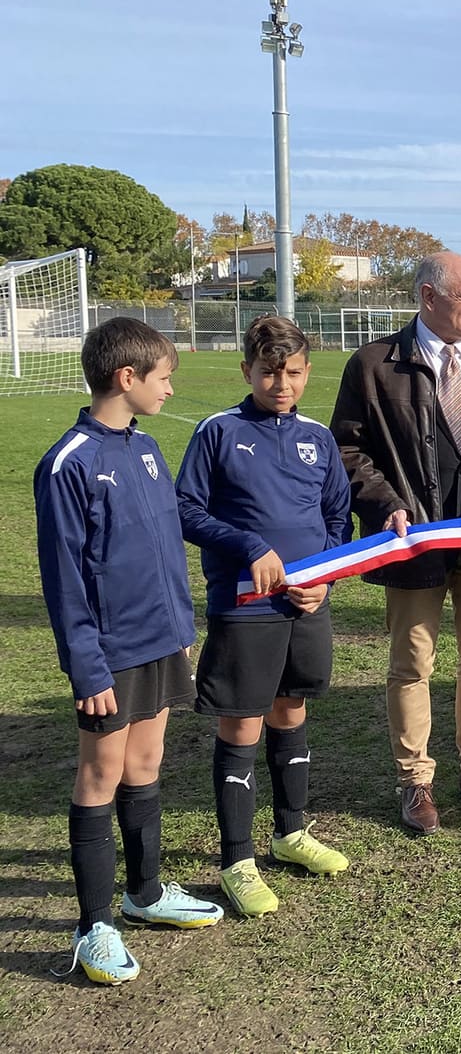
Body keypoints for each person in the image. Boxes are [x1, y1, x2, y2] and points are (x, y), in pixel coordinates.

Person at [36, 318, 224, 984]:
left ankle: (143, 893)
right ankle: (93, 928)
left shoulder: (143, 449)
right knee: (101, 774)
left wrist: (182, 629)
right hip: (109, 654)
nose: (170, 390)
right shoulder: (68, 463)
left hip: (161, 641)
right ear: (128, 377)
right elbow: (64, 581)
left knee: (146, 763)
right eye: (165, 377)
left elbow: (163, 551)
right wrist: (87, 668)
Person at [331, 252, 461, 835]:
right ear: (429, 297)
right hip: (414, 544)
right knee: (412, 663)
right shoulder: (375, 365)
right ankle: (415, 782)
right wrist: (387, 504)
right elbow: (347, 450)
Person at [176, 316, 352, 917]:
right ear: (247, 370)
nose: (283, 383)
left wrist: (323, 576)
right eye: (270, 372)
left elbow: (337, 519)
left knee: (291, 707)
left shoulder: (318, 437)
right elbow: (185, 509)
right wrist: (250, 547)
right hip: (244, 604)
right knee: (243, 723)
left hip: (305, 603)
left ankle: (291, 832)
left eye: (295, 372)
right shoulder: (218, 431)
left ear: (307, 372)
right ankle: (237, 861)